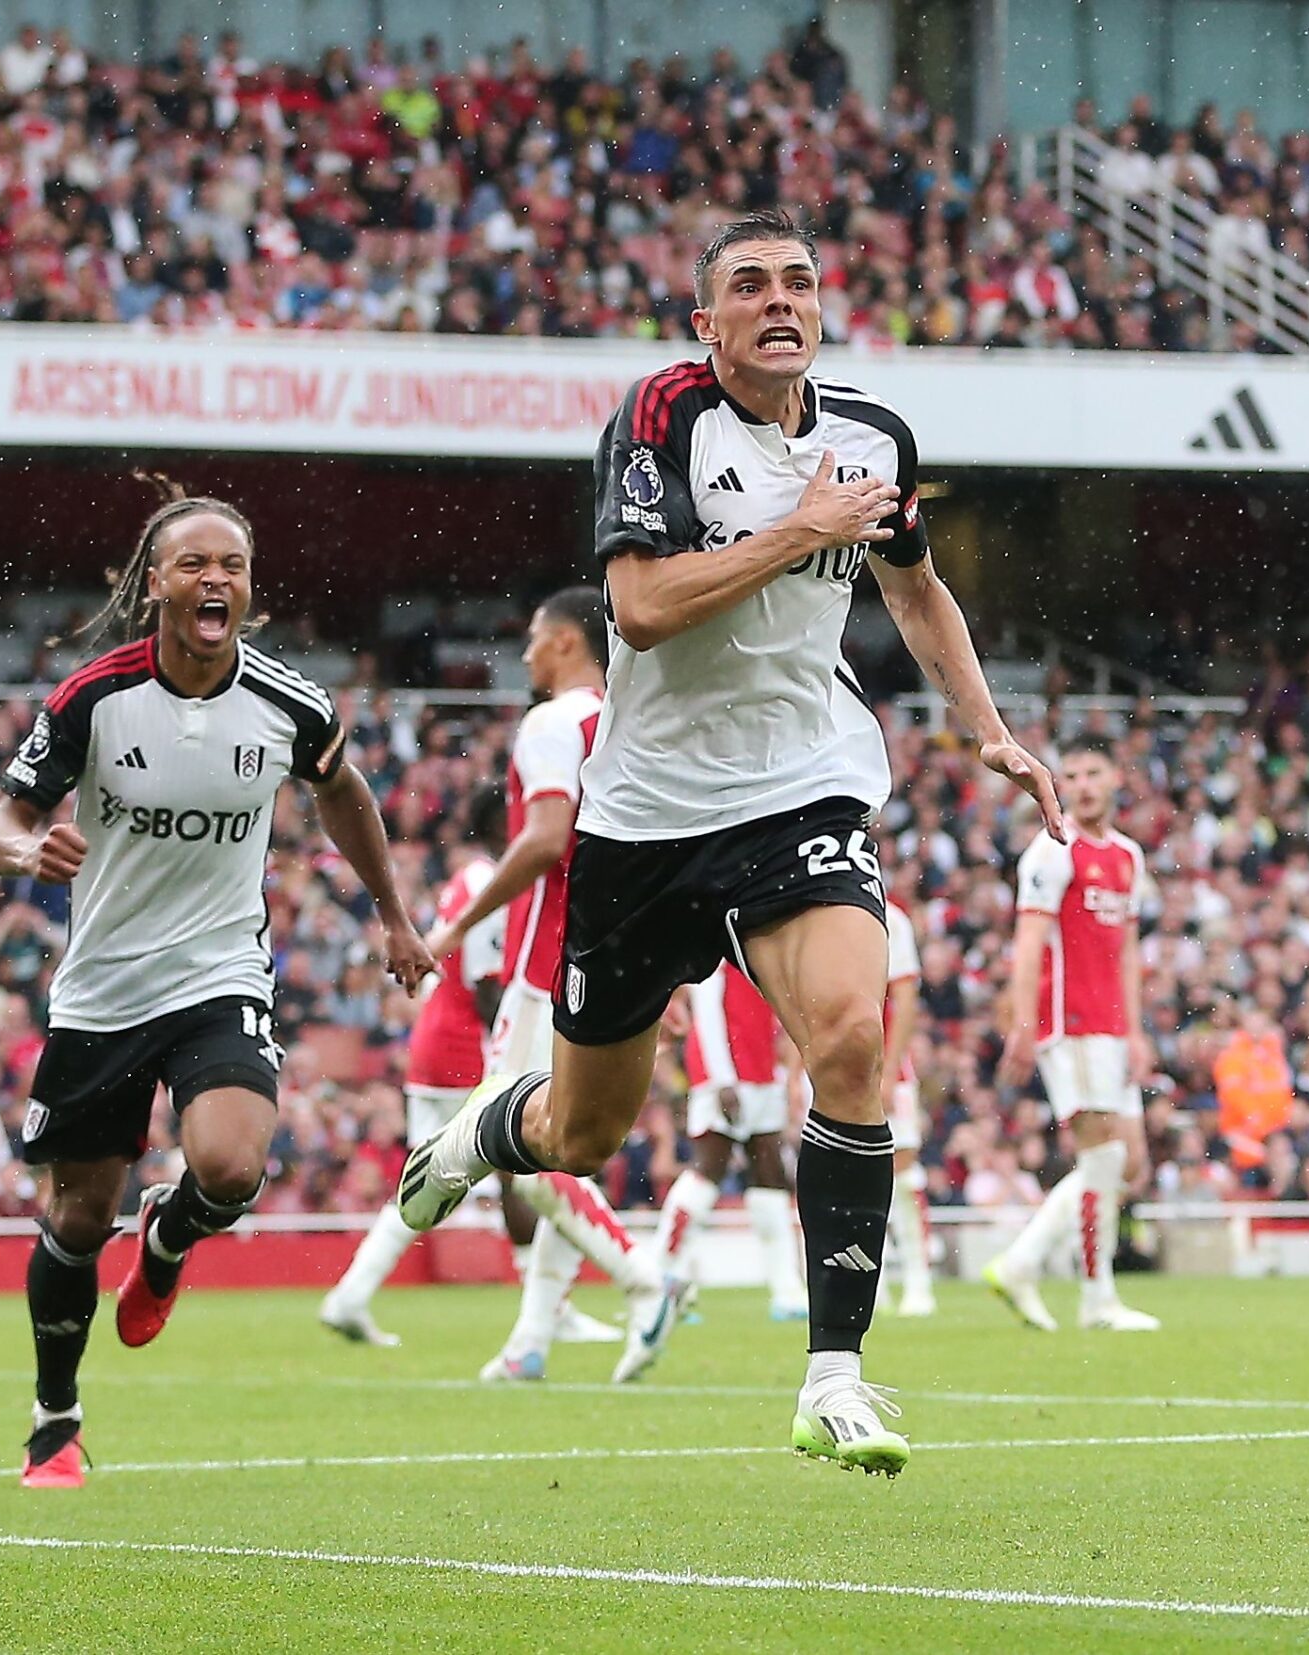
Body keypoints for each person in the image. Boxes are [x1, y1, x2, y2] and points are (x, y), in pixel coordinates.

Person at [395, 209, 1062, 1476]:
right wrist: (800, 533)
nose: (779, 301)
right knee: (586, 1134)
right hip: (645, 816)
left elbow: (913, 585)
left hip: (802, 789)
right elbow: (640, 610)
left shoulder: (874, 439)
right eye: (748, 286)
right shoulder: (661, 418)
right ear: (705, 324)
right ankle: (489, 1132)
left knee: (855, 1040)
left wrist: (986, 729)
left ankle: (835, 1377)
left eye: (799, 283)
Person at [0, 477, 434, 1490]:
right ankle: (55, 1419)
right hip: (101, 989)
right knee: (71, 1221)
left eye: (231, 564)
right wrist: (21, 853)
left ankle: (171, 1229)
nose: (214, 577)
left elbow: (343, 792)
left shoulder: (287, 701)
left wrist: (393, 913)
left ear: (249, 591)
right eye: (194, 562)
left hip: (219, 970)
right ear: (156, 584)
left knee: (230, 1166)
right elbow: (0, 817)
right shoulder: (94, 694)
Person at [411, 586, 676, 1384]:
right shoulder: (636, 719)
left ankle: (644, 1275)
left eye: (532, 639)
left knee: (512, 1133)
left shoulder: (552, 723)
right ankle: (531, 1339)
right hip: (624, 957)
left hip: (545, 965)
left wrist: (456, 926)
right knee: (562, 1145)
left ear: (564, 642)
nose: (525, 656)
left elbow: (545, 836)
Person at [319, 786, 512, 1348]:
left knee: (447, 1177)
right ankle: (556, 1303)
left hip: (438, 1044)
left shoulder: (465, 880)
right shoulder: (486, 885)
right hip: (462, 1051)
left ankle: (352, 1295)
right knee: (517, 1172)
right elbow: (486, 987)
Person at [982, 736, 1160, 1333]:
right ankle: (1095, 1298)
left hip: (1111, 1025)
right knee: (1103, 1155)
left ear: (1115, 779)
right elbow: (1028, 942)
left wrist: (1136, 1031)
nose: (1083, 785)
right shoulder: (1052, 849)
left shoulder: (1129, 857)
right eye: (1073, 774)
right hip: (1072, 1020)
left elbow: (1126, 951)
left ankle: (1023, 1262)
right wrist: (1025, 1025)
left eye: (1093, 772)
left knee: (1128, 1161)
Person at [653, 964, 805, 1318]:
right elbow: (705, 1007)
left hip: (761, 1072)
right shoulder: (721, 937)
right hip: (724, 1076)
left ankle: (786, 1288)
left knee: (770, 1176)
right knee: (707, 1171)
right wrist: (722, 1078)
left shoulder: (757, 940)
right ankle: (662, 1279)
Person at [878, 890, 937, 1317]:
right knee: (847, 1174)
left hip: (885, 1067)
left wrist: (889, 1069)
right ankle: (869, 1283)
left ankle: (918, 1280)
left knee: (903, 1167)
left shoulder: (890, 918)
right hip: (828, 1065)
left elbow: (905, 999)